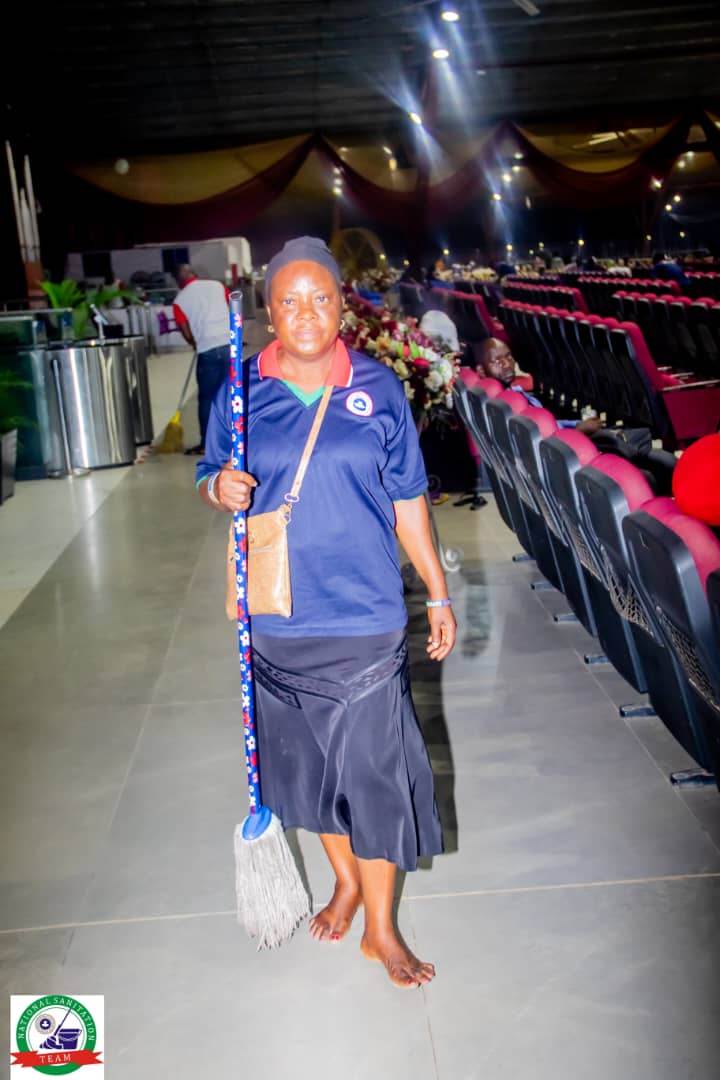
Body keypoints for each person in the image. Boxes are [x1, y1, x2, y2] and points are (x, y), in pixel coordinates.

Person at [197, 236, 456, 988]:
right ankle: (344, 882)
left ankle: (381, 928)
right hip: (278, 618)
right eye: (289, 300)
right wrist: (218, 488)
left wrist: (437, 590)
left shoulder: (378, 388)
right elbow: (210, 471)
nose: (306, 313)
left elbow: (409, 499)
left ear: (342, 305)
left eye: (320, 298)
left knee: (373, 776)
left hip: (366, 613)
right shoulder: (241, 393)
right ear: (268, 311)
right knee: (311, 774)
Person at [477, 338, 677, 493]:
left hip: (568, 446)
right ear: (481, 370)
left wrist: (576, 424)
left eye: (509, 356)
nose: (506, 363)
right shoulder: (508, 404)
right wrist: (578, 430)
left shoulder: (513, 394)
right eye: (496, 360)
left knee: (652, 455)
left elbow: (548, 425)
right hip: (567, 456)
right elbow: (544, 439)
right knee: (650, 469)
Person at [172, 263, 231, 454]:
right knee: (229, 395)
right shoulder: (217, 286)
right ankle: (232, 441)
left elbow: (185, 330)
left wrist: (194, 342)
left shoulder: (180, 300)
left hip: (207, 349)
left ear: (178, 282)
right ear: (195, 274)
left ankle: (207, 444)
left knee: (207, 398)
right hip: (229, 346)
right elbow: (232, 308)